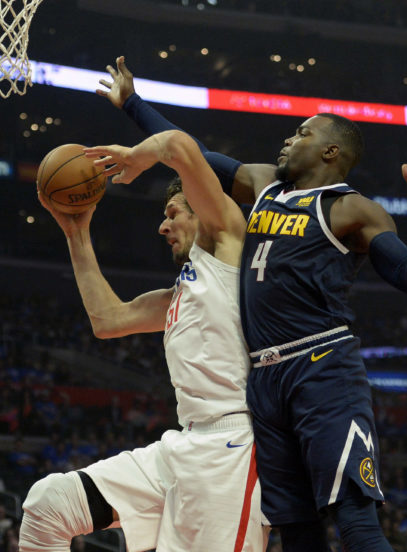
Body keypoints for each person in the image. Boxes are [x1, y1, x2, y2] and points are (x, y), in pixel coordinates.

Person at [92, 56, 407, 552]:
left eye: (301, 133)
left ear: (330, 151)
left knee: (355, 522)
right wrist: (132, 104)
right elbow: (196, 155)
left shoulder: (351, 209)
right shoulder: (261, 185)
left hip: (322, 368)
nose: (288, 139)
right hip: (265, 380)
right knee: (297, 532)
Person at [19, 129, 264, 552]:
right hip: (182, 445)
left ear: (203, 211)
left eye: (172, 212)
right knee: (48, 505)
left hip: (230, 452)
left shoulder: (228, 247)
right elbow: (107, 320)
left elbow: (181, 146)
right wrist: (76, 233)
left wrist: (135, 155)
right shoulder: (179, 294)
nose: (162, 225)